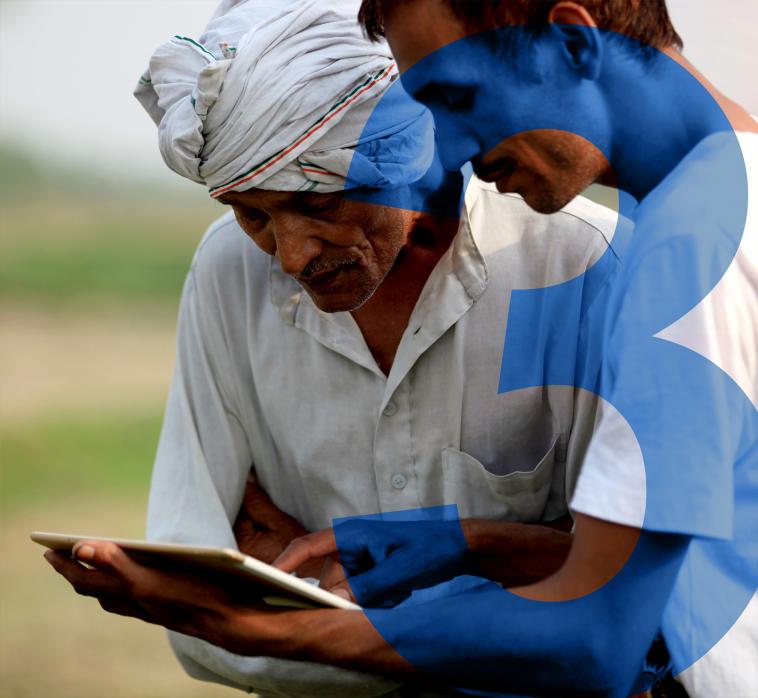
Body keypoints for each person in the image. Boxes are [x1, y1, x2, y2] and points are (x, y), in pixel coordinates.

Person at [44, 0, 756, 695]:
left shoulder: (675, 252)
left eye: (455, 96)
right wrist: (471, 544)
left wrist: (262, 627)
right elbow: (668, 570)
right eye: (252, 214)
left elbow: (603, 637)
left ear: (573, 44)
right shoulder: (719, 205)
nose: (448, 150)